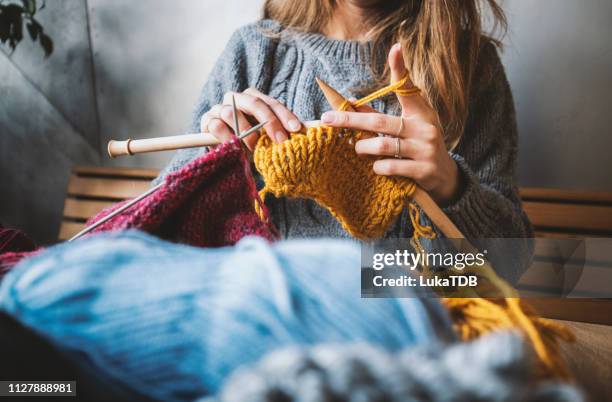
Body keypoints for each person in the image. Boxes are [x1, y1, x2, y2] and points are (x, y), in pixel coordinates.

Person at [157, 0, 532, 244]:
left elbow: (506, 265)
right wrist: (209, 161)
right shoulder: (254, 52)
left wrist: (450, 185)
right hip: (268, 315)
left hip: (404, 327)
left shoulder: (468, 66)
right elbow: (155, 230)